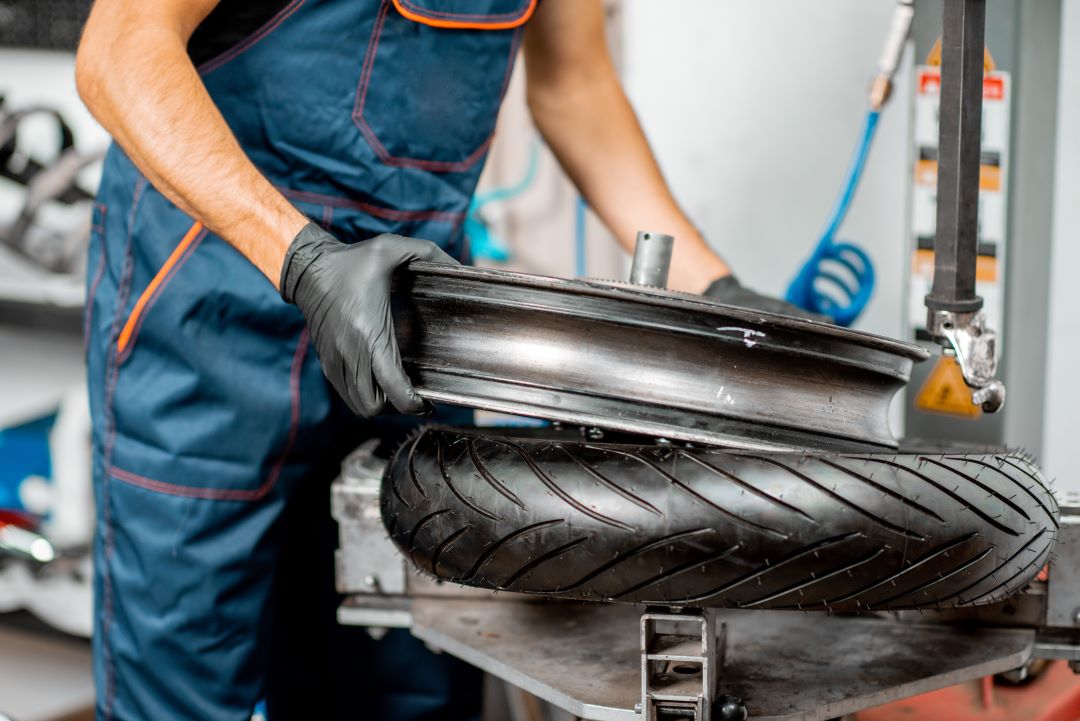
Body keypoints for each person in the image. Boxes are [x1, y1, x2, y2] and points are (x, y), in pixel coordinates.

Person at [75, 1, 809, 718]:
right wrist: (304, 260)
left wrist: (715, 288)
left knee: (407, 661)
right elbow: (119, 50)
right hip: (210, 309)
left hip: (415, 328)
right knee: (187, 667)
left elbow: (575, 84)